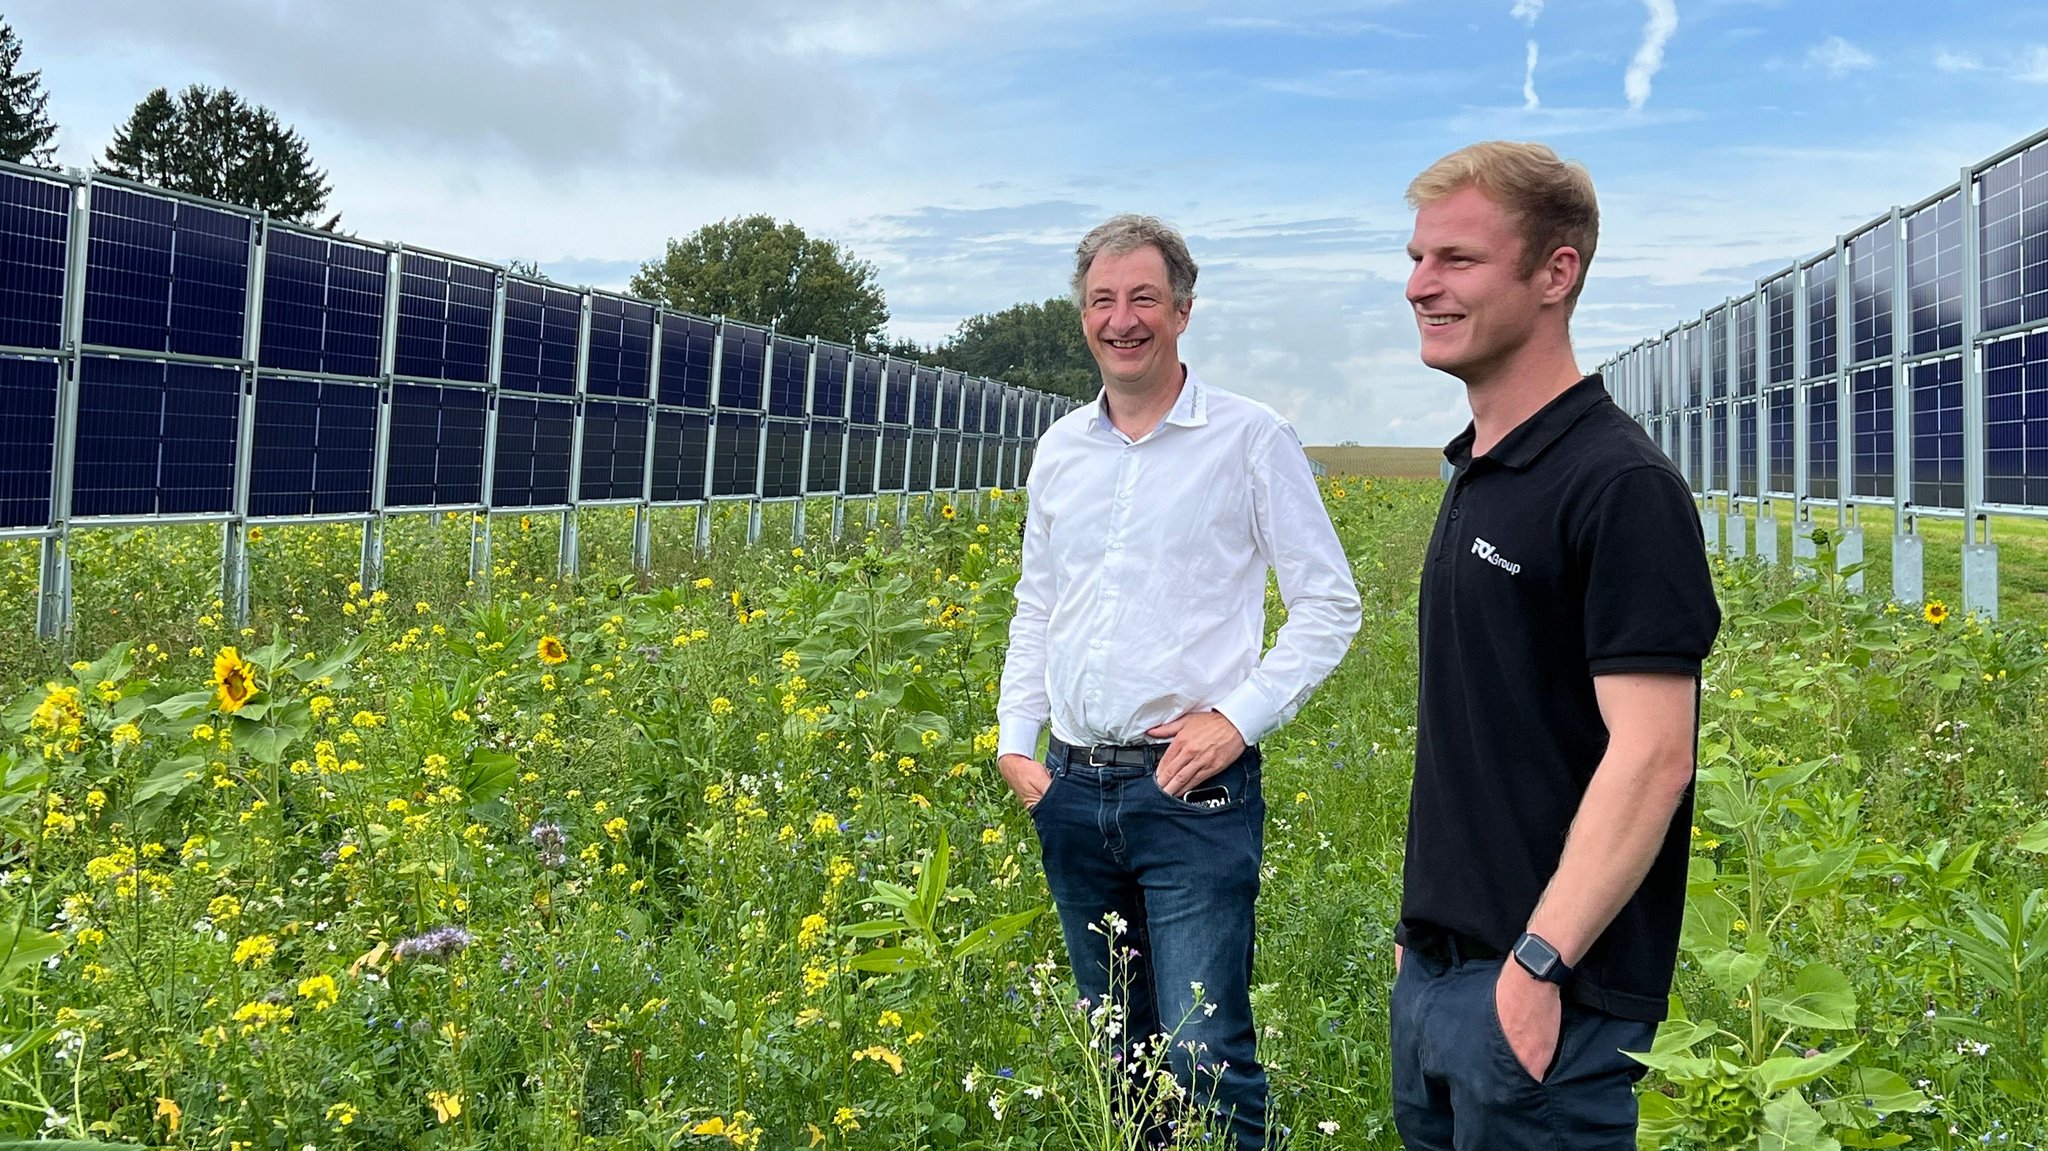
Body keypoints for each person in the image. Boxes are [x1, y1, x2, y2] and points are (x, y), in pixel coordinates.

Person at [996, 214, 1361, 1148]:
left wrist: (1236, 721)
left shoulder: (1249, 438)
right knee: (1117, 1050)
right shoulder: (1059, 449)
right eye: (1103, 301)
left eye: (1144, 298)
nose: (1123, 319)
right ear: (1082, 314)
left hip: (1190, 789)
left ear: (1184, 310)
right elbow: (1039, 603)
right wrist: (1015, 743)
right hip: (1072, 789)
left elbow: (1329, 605)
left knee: (1203, 1051)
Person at [1389, 141, 1721, 1150]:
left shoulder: (1615, 484)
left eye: (1455, 259)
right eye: (1414, 258)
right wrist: (1423, 948)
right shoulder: (1481, 469)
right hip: (1444, 982)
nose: (1418, 286)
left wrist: (1535, 966)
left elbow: (1654, 752)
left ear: (1553, 272)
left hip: (1547, 1001)